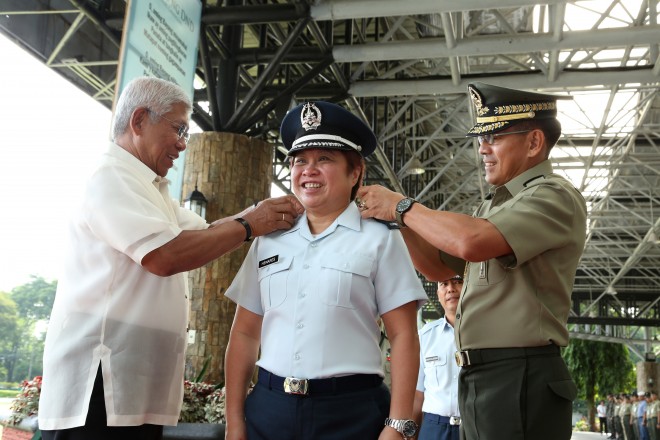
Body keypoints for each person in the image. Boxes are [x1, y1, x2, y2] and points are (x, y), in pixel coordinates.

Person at [37, 76, 303, 440]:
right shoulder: (111, 178)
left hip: (131, 383)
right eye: (178, 129)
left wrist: (258, 215)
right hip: (99, 385)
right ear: (139, 120)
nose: (181, 144)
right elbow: (163, 256)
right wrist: (249, 224)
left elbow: (205, 231)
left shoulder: (151, 189)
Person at [356, 82, 587, 440]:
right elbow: (438, 268)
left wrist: (402, 206)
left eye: (493, 136)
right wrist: (398, 221)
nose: (482, 148)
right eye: (482, 138)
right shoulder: (494, 206)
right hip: (485, 376)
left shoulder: (554, 195)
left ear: (534, 142)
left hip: (520, 375)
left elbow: (469, 242)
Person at [223, 101, 428, 440]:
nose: (309, 170)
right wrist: (234, 422)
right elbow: (244, 333)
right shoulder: (269, 239)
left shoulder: (380, 239)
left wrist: (398, 426)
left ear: (355, 172)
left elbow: (404, 335)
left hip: (352, 414)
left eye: (325, 160)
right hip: (269, 411)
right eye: (300, 161)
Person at [413, 275, 463, 440]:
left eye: (457, 282)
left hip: (475, 426)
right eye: (444, 284)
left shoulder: (487, 335)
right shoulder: (425, 337)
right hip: (434, 428)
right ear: (438, 293)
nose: (450, 289)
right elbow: (418, 394)